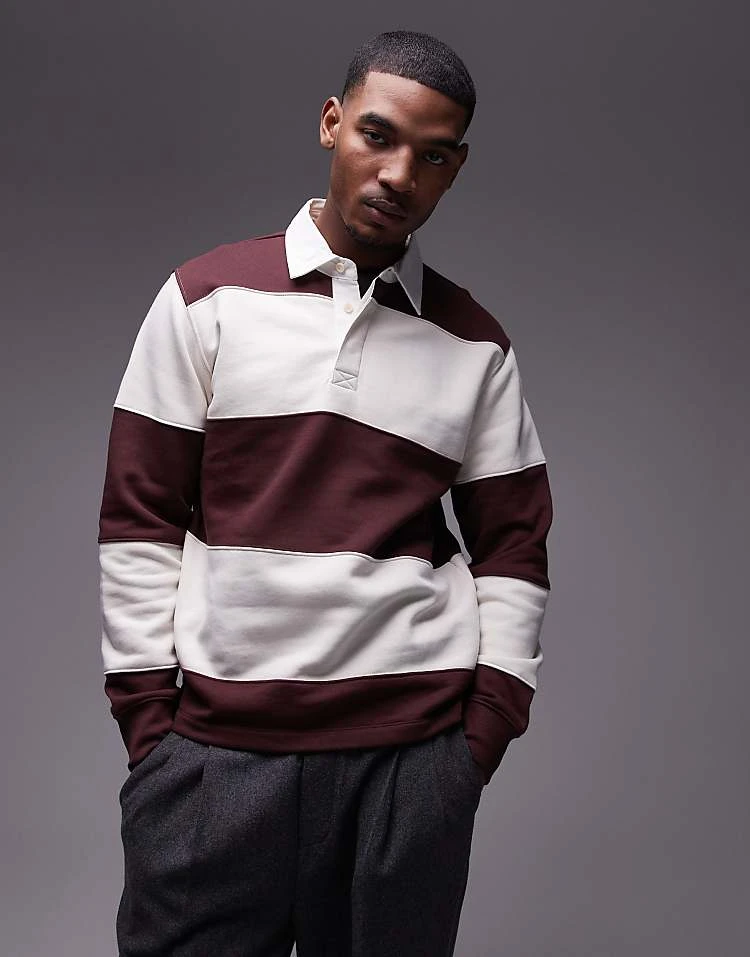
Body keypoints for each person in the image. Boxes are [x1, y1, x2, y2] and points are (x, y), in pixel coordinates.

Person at [98, 28, 553, 957]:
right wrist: (150, 725)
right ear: (331, 123)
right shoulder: (205, 299)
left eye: (432, 156)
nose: (398, 174)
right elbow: (140, 522)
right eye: (377, 136)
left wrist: (478, 739)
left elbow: (514, 546)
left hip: (409, 765)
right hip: (213, 762)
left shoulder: (475, 344)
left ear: (456, 168)